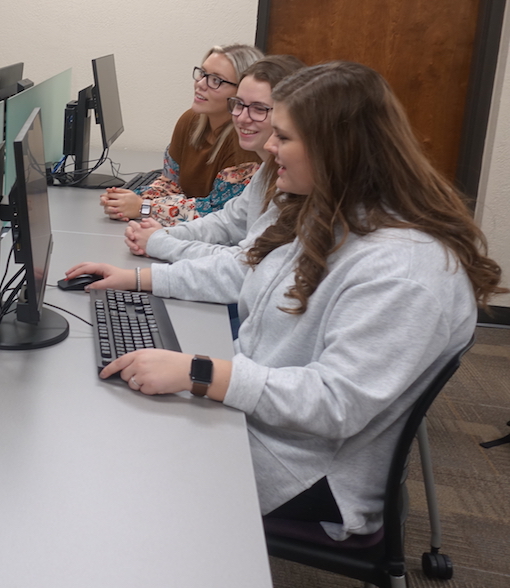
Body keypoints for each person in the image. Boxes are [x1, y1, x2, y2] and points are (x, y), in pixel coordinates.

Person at [67, 61, 503, 540]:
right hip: (260, 425)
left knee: (104, 466)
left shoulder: (403, 272)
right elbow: (245, 271)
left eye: (284, 137)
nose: (269, 149)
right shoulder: (329, 213)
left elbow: (335, 404)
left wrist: (201, 371)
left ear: (336, 150)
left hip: (304, 468)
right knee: (106, 420)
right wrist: (139, 279)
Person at [123, 55, 306, 280]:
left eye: (259, 109)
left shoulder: (271, 168)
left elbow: (245, 262)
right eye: (239, 104)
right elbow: (226, 221)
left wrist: (157, 237)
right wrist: (163, 233)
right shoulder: (266, 170)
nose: (242, 117)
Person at [102, 44, 264, 226]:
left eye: (216, 80)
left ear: (241, 93)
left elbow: (217, 212)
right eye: (202, 73)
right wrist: (124, 200)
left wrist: (144, 208)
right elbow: (171, 183)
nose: (200, 84)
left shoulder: (246, 143)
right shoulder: (190, 120)